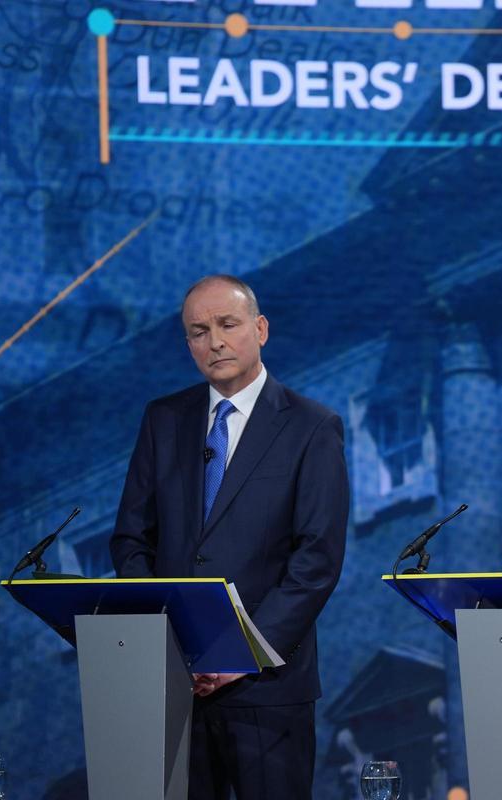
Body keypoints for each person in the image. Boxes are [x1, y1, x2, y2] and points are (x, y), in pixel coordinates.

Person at [110, 275, 349, 800]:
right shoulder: (163, 420)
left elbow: (317, 559)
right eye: (199, 332)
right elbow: (131, 538)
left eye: (227, 324)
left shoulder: (312, 427)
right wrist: (165, 636)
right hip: (177, 681)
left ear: (260, 329)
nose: (215, 341)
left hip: (267, 686)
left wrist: (241, 652)